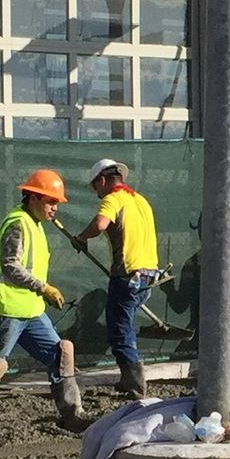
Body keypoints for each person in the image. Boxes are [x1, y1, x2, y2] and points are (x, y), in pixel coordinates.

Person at [0, 170, 83, 432]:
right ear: (34, 198)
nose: (55, 209)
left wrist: (41, 292)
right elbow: (10, 266)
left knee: (62, 355)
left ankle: (73, 414)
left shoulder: (34, 225)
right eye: (51, 202)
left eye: (56, 203)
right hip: (6, 308)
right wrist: (44, 288)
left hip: (31, 310)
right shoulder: (17, 224)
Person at [73, 158, 159, 398]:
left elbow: (100, 224)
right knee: (126, 326)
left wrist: (81, 237)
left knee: (119, 330)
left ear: (101, 180)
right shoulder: (140, 200)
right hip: (149, 274)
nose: (96, 193)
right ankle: (128, 378)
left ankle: (134, 384)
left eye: (95, 187)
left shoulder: (114, 199)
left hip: (128, 275)